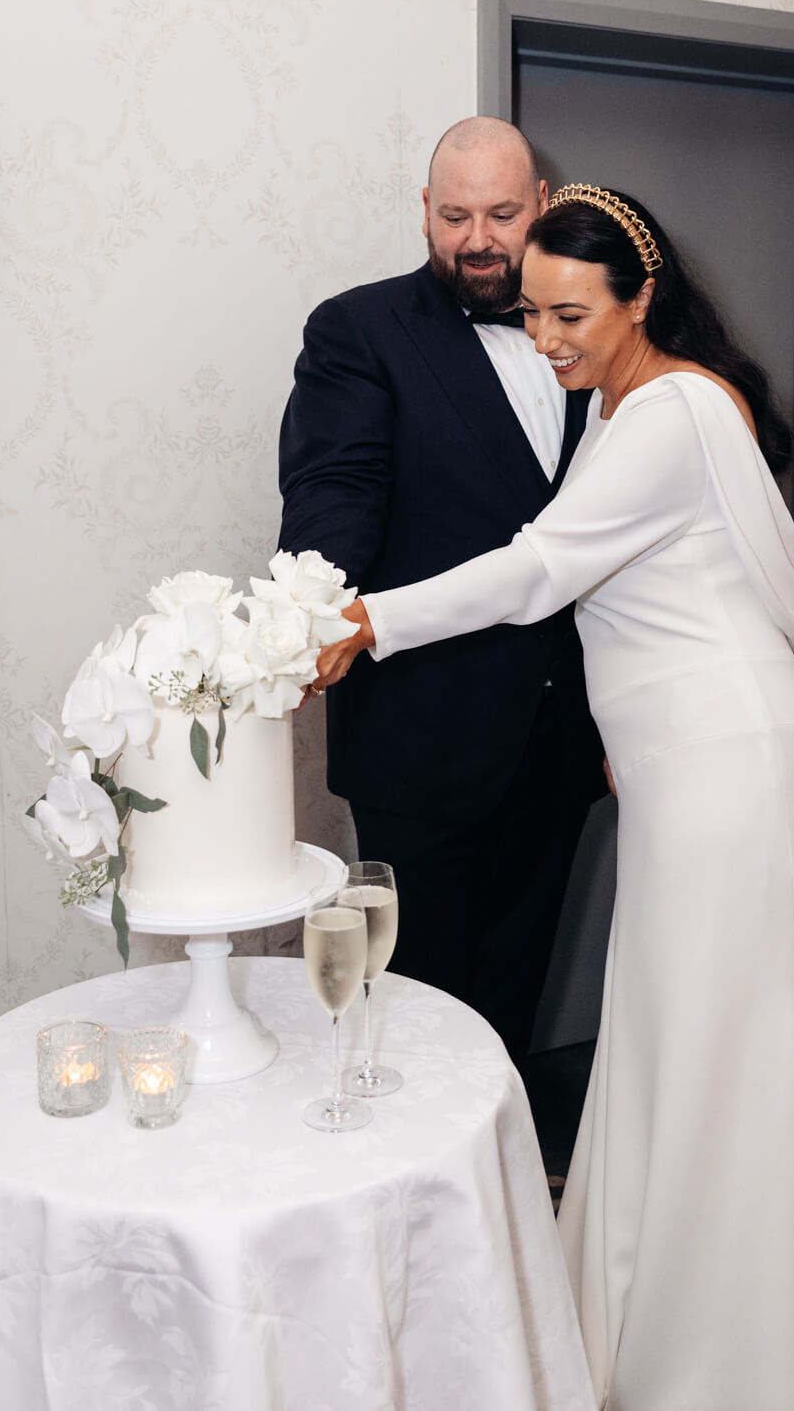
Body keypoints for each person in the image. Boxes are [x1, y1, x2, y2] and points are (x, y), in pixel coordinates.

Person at [312, 184, 794, 1409]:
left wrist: (370, 620)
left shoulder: (671, 411)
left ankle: (723, 1348)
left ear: (641, 299)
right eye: (532, 314)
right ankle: (672, 1298)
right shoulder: (628, 403)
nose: (544, 339)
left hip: (726, 767)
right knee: (685, 1034)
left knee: (715, 1046)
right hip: (694, 760)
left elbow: (539, 571)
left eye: (569, 315)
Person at [278, 118, 604, 1060]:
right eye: (455, 217)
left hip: (558, 742)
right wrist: (313, 610)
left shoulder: (596, 330)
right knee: (417, 1022)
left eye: (501, 215)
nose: (478, 240)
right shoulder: (359, 330)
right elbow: (335, 489)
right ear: (425, 212)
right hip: (419, 744)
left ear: (541, 205)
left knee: (512, 1004)